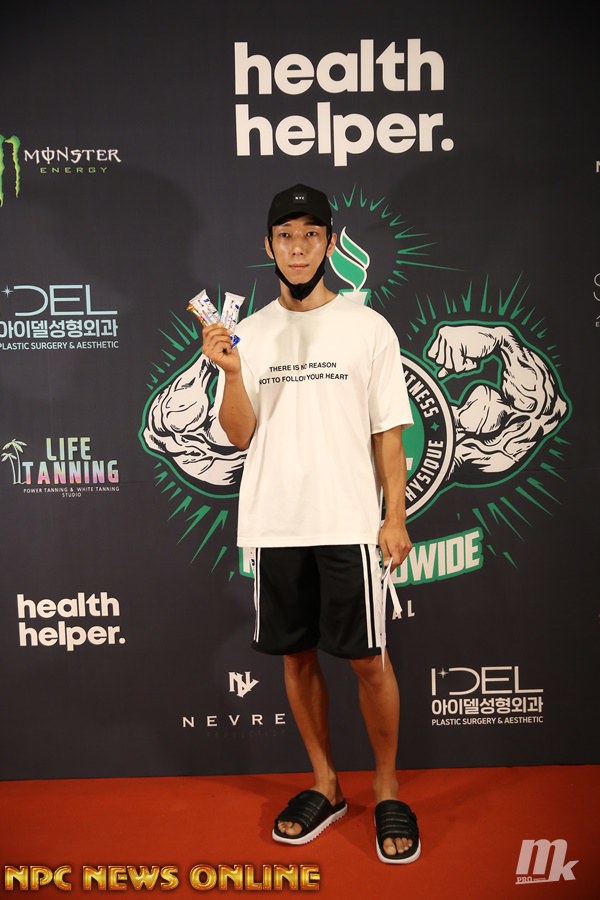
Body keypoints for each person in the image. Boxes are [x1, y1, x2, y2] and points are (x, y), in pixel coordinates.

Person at [201, 183, 419, 864]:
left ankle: (386, 788)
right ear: (268, 246)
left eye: (310, 235)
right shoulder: (248, 333)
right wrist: (230, 372)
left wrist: (394, 516)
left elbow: (389, 433)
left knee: (368, 660)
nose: (298, 248)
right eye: (285, 236)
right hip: (277, 524)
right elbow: (239, 435)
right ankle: (326, 784)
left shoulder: (367, 327)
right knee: (296, 658)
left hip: (349, 522)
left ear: (328, 243)